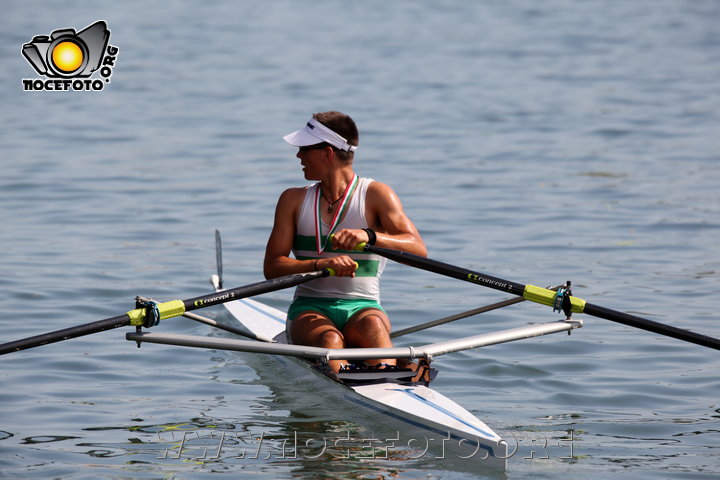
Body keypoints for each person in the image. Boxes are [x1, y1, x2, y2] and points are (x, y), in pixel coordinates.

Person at [263, 111, 427, 373]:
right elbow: (272, 267)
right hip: (310, 308)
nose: (298, 156)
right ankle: (352, 378)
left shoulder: (376, 195)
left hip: (364, 307)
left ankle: (388, 384)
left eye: (304, 149)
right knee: (330, 340)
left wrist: (370, 235)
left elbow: (418, 249)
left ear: (327, 153)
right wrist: (321, 263)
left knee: (372, 326)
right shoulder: (292, 200)